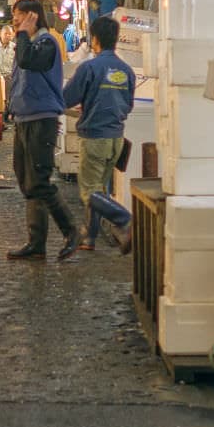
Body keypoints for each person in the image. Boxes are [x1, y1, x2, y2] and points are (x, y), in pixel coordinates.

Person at [5, 0, 78, 261]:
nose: (15, 20)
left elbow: (27, 62)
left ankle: (71, 230)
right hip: (24, 118)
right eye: (14, 16)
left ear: (33, 17)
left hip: (41, 120)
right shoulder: (28, 42)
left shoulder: (46, 43)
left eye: (19, 15)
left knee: (39, 180)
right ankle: (36, 243)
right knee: (26, 180)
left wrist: (23, 34)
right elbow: (18, 78)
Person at [64, 17, 137, 251]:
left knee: (89, 190)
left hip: (94, 137)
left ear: (94, 39)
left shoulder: (89, 68)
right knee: (99, 187)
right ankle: (90, 237)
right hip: (116, 138)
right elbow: (127, 105)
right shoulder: (126, 71)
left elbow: (67, 98)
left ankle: (125, 218)